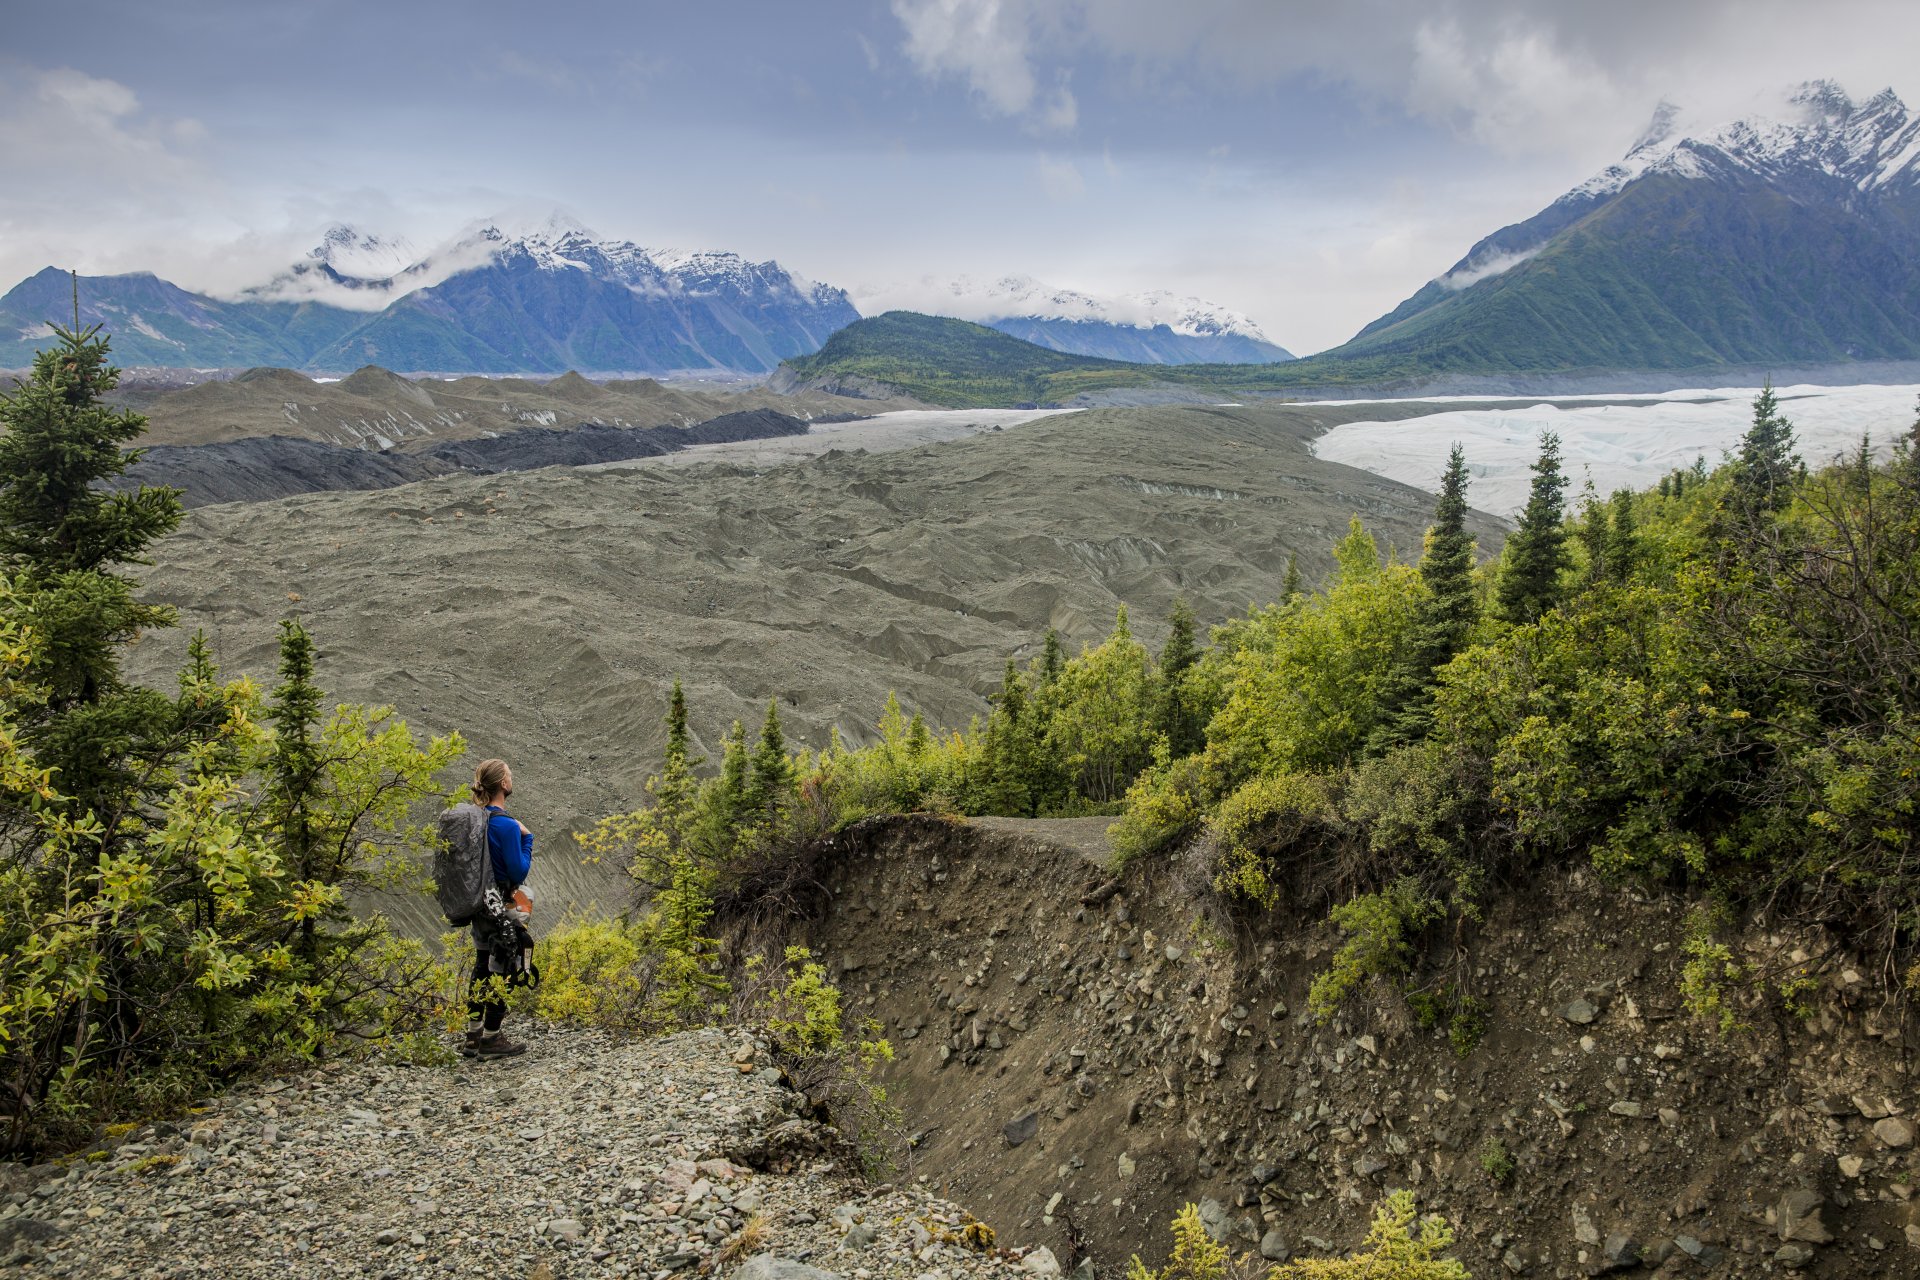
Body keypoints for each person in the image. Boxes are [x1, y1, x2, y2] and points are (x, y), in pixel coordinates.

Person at [466, 758, 534, 1059]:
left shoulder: (476, 821)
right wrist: (528, 839)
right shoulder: (505, 825)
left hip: (479, 904)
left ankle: (473, 1035)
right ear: (503, 784)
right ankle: (492, 1038)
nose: (512, 778)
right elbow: (518, 871)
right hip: (502, 905)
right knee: (502, 965)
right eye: (509, 775)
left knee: (482, 964)